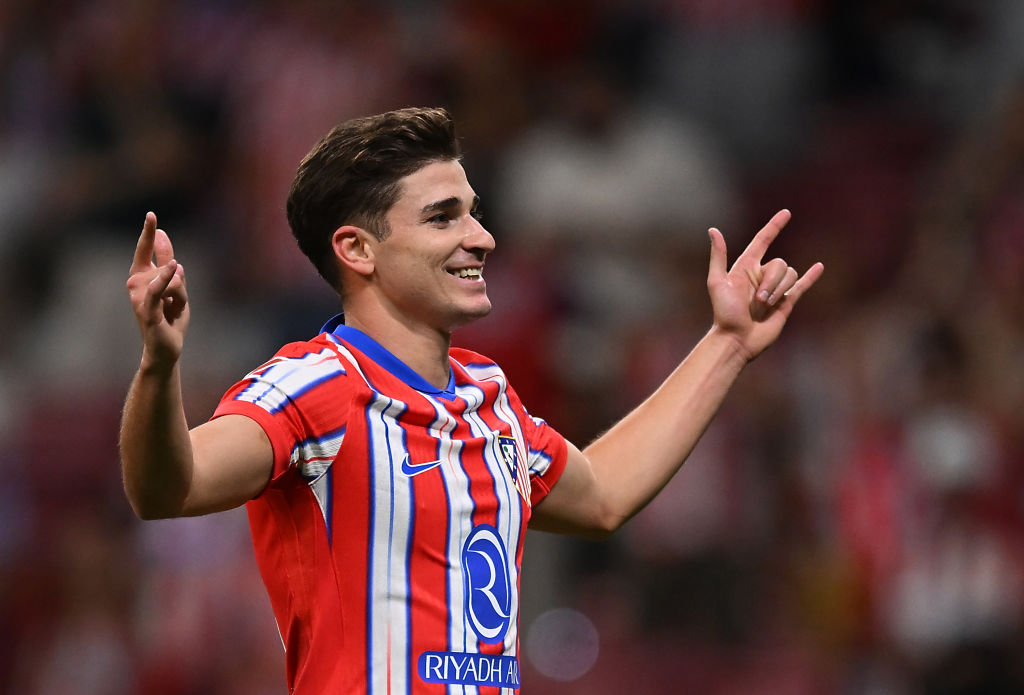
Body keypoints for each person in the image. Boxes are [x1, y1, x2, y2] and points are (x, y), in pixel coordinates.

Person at [120, 106, 823, 694]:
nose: (481, 237)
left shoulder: (490, 400)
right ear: (357, 249)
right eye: (443, 217)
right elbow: (166, 488)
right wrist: (160, 364)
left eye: (475, 214)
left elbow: (605, 492)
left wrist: (727, 344)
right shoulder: (310, 389)